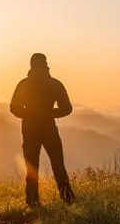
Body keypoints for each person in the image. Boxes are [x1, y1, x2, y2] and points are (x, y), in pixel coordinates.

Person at [10, 53, 76, 206]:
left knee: (32, 167)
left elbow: (14, 108)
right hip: (49, 128)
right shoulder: (54, 84)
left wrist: (29, 113)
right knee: (58, 165)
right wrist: (49, 113)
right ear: (46, 64)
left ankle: (33, 202)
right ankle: (68, 199)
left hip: (30, 129)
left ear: (31, 65)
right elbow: (67, 108)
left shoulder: (24, 84)